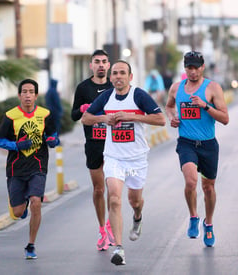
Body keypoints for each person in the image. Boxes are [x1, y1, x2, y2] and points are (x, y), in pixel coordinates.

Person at [82, 60, 166, 265]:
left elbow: (160, 119)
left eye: (122, 73)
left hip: (137, 159)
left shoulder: (139, 95)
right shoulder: (106, 97)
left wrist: (132, 117)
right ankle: (118, 248)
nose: (118, 76)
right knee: (114, 199)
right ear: (111, 78)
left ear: (130, 77)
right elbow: (86, 118)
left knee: (134, 200)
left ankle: (137, 217)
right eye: (115, 73)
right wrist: (104, 119)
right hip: (114, 157)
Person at [165, 51, 229, 248]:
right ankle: (193, 216)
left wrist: (205, 106)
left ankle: (208, 224)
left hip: (208, 145)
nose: (192, 72)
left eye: (196, 68)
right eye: (189, 68)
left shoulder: (213, 88)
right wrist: (172, 117)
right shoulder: (176, 88)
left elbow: (225, 119)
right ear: (185, 69)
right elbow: (168, 107)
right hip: (186, 143)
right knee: (191, 182)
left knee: (208, 188)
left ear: (202, 67)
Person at [0, 79, 60, 259]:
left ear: (36, 95)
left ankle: (31, 245)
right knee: (17, 213)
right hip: (16, 168)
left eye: (31, 92)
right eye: (24, 92)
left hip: (38, 166)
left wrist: (53, 141)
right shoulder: (11, 116)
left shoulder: (45, 114)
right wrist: (18, 145)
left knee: (36, 202)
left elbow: (54, 136)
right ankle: (22, 206)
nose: (28, 95)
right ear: (19, 95)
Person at [71, 49, 115, 251]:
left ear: (108, 65)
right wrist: (82, 109)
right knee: (99, 189)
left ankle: (112, 226)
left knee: (113, 188)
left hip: (114, 144)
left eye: (104, 62)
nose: (100, 65)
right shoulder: (83, 87)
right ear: (91, 65)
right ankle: (101, 229)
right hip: (94, 143)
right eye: (97, 62)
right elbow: (73, 115)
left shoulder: (115, 85)